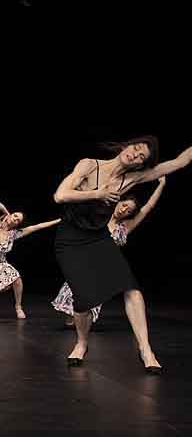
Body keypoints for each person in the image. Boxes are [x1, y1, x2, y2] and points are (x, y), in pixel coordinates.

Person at [52, 138, 189, 374]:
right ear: (127, 146)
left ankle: (146, 349)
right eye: (136, 149)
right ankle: (82, 343)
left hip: (99, 238)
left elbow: (179, 162)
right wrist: (97, 194)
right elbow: (60, 195)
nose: (136, 156)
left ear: (139, 166)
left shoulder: (132, 178)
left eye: (141, 158)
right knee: (83, 300)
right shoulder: (89, 165)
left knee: (131, 289)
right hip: (70, 240)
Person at [52, 177, 166, 325]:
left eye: (128, 211)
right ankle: (75, 317)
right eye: (124, 205)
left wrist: (161, 185)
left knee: (90, 303)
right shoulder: (100, 215)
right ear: (119, 201)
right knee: (74, 304)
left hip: (103, 268)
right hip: (84, 262)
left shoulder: (125, 227)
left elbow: (148, 207)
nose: (124, 210)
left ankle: (82, 322)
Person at [0, 201, 60, 319]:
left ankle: (18, 306)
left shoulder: (13, 234)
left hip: (0, 265)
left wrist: (58, 221)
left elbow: (36, 227)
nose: (15, 219)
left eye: (18, 220)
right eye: (15, 216)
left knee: (17, 279)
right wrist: (8, 214)